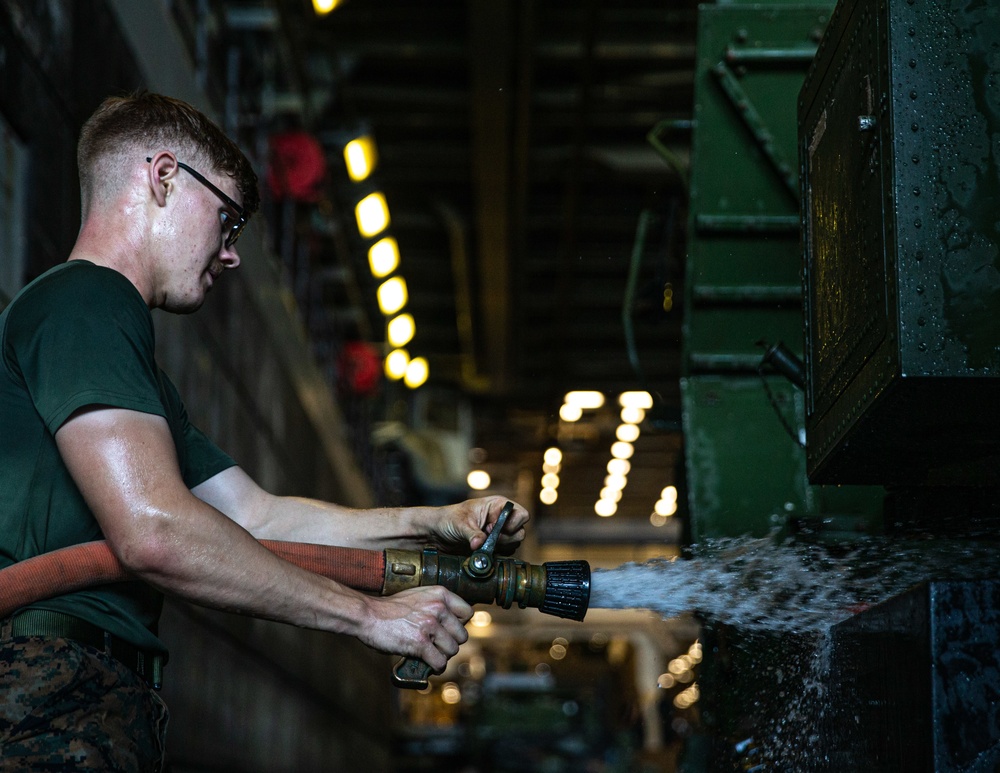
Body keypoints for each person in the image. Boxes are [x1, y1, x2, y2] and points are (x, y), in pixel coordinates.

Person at [0, 92, 529, 770]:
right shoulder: (84, 301)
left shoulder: (137, 379)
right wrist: (372, 617)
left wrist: (437, 520)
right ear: (163, 177)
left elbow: (258, 515)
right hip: (46, 694)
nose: (232, 254)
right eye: (226, 219)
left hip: (83, 697)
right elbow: (156, 530)